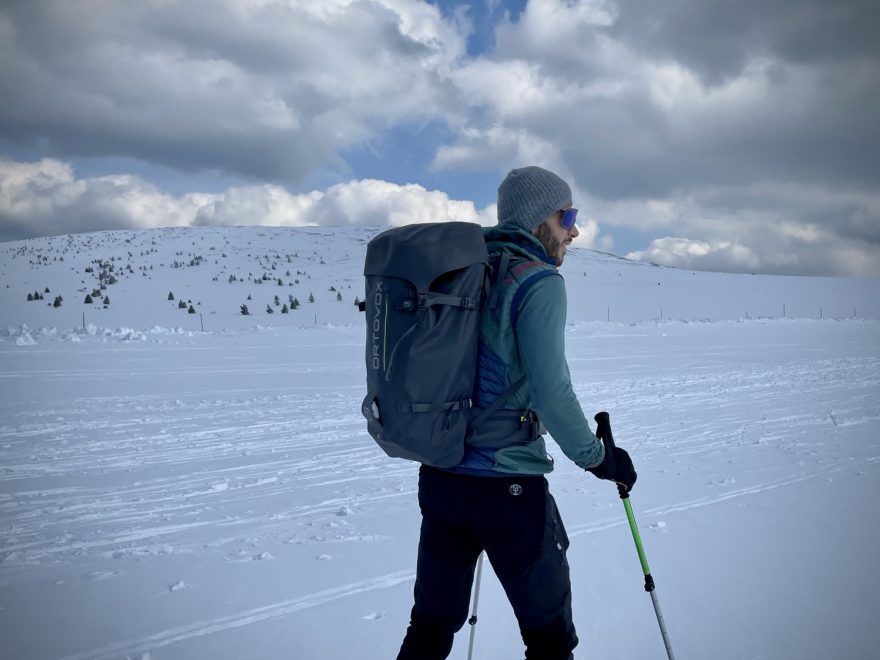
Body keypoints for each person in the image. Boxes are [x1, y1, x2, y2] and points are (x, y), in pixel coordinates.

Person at [396, 166, 638, 659]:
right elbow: (552, 391)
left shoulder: (464, 273)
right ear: (538, 217)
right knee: (549, 639)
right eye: (567, 216)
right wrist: (599, 458)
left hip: (441, 478)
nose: (574, 230)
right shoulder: (537, 282)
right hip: (506, 487)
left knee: (430, 627)